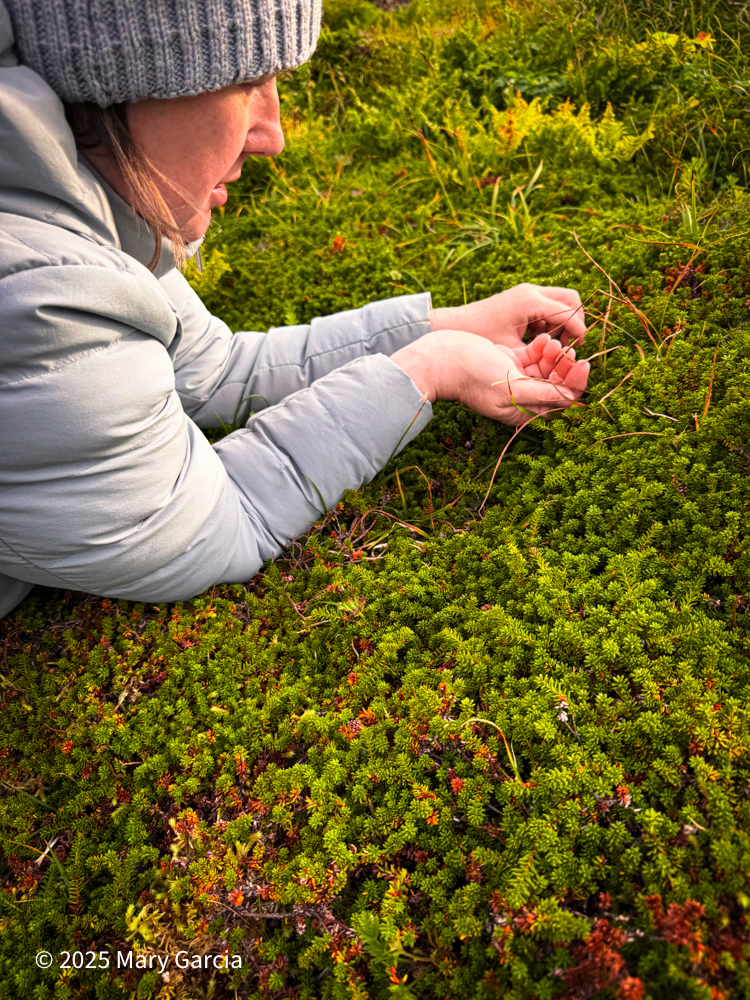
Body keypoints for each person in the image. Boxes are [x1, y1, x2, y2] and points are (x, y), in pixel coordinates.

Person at [0, 0, 590, 620]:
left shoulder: (82, 215)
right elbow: (207, 529)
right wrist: (427, 371)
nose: (273, 136)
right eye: (247, 82)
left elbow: (217, 371)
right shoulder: (36, 289)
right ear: (121, 78)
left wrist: (446, 325)